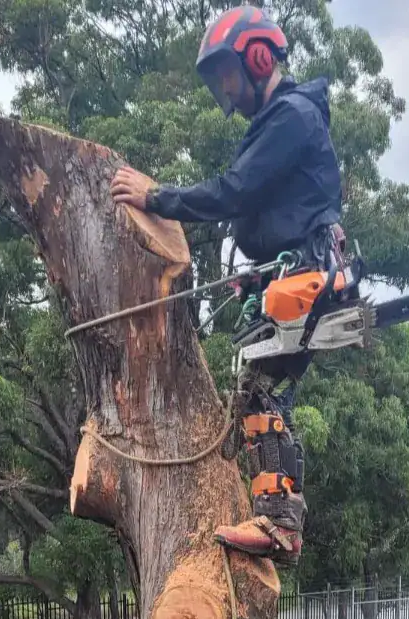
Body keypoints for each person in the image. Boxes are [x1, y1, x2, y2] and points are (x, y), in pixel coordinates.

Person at [108, 4, 345, 569]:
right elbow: (269, 211)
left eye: (229, 76)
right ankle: (272, 505)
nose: (227, 92)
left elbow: (233, 192)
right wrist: (257, 275)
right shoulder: (278, 123)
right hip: (292, 270)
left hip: (312, 269)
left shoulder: (293, 116)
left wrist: (158, 197)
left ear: (258, 58)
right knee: (256, 388)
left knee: (263, 389)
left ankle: (282, 522)